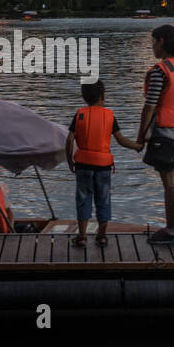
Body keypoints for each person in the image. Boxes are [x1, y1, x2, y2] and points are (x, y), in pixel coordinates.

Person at [137, 23, 174, 245]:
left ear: (161, 42)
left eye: (153, 42)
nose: (152, 47)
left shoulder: (160, 71)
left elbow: (150, 106)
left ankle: (171, 230)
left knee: (170, 182)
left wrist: (141, 136)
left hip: (165, 129)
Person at [66, 80, 140, 247]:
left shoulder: (80, 114)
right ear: (103, 96)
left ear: (84, 97)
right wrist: (137, 146)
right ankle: (102, 236)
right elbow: (120, 140)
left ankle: (82, 236)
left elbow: (69, 139)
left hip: (83, 165)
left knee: (83, 198)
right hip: (103, 166)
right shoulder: (109, 116)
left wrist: (70, 160)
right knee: (103, 199)